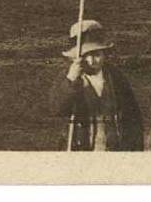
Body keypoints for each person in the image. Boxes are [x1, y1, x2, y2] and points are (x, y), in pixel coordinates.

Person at [50, 20, 144, 151]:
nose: (91, 61)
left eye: (96, 55)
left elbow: (133, 117)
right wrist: (71, 80)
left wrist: (134, 151)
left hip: (114, 148)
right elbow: (57, 109)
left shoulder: (115, 77)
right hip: (80, 147)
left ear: (105, 54)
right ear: (74, 57)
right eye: (84, 56)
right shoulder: (68, 77)